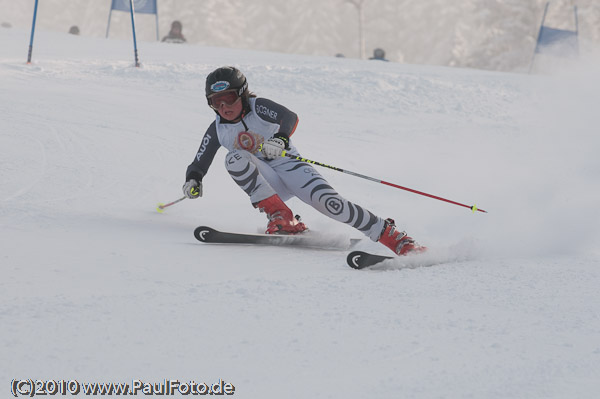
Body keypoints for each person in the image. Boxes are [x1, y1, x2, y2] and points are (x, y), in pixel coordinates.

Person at [182, 66, 424, 256]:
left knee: (332, 204)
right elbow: (200, 161)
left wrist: (280, 139)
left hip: (291, 167)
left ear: (243, 94)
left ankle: (397, 239)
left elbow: (290, 117)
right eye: (216, 101)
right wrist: (193, 180)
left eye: (230, 98)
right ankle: (281, 217)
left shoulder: (258, 107)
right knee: (234, 158)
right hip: (268, 182)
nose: (224, 107)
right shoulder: (217, 129)